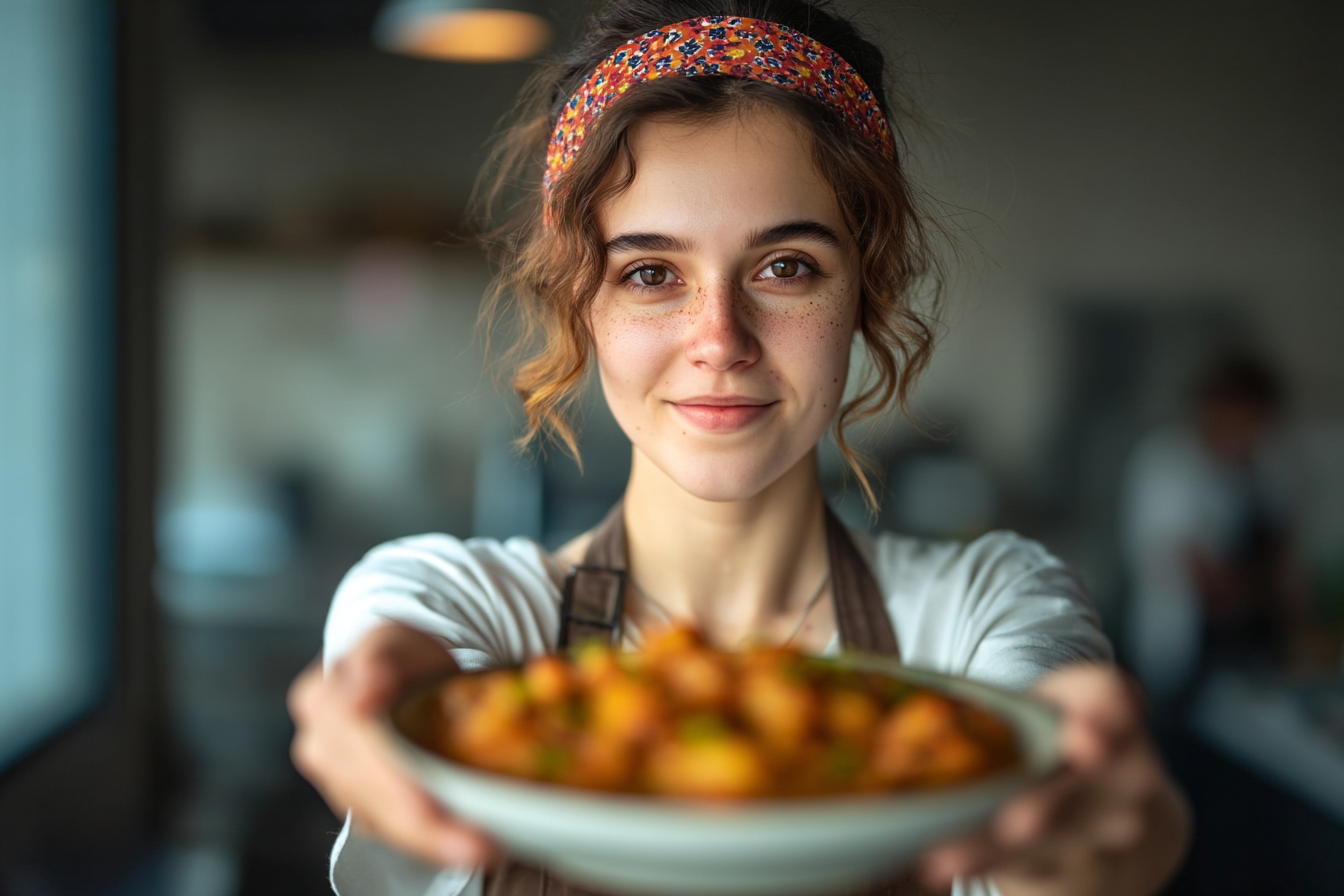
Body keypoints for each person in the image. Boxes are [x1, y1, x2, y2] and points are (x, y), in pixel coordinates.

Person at [288, 3, 1191, 895]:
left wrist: (1088, 837)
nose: (719, 340)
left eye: (786, 267)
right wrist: (382, 706)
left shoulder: (984, 611)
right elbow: (400, 658)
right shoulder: (462, 607)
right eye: (650, 273)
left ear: (865, 289)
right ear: (581, 303)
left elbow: (1075, 797)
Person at [1122, 352, 1306, 709]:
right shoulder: (1168, 463)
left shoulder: (1269, 466)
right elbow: (1209, 583)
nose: (1250, 434)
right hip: (1187, 648)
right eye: (1241, 421)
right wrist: (1263, 593)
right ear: (1211, 410)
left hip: (1258, 647)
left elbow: (1284, 555)